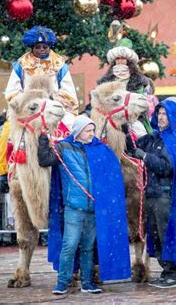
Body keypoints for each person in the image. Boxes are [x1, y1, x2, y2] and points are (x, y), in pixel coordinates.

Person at [39, 115, 131, 295]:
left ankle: (87, 283)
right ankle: (62, 282)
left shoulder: (99, 149)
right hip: (74, 208)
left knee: (88, 247)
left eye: (92, 130)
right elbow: (45, 160)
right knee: (70, 245)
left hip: (94, 209)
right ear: (78, 132)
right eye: (88, 130)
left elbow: (110, 174)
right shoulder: (64, 148)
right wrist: (43, 139)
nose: (92, 134)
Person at [0, 25, 78, 197]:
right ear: (32, 47)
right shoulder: (21, 65)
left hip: (54, 107)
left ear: (49, 47)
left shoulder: (60, 65)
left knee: (75, 128)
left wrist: (54, 99)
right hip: (28, 110)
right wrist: (25, 100)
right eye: (37, 47)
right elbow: (11, 92)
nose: (41, 50)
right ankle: (3, 176)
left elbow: (69, 92)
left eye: (44, 47)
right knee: (6, 134)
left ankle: (75, 169)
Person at [127, 100, 176, 288]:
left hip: (166, 196)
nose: (161, 117)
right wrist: (124, 127)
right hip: (152, 194)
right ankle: (166, 270)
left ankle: (173, 273)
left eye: (164, 114)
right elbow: (132, 147)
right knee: (156, 235)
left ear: (172, 116)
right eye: (159, 113)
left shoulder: (175, 139)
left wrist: (145, 156)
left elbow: (166, 167)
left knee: (166, 234)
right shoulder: (154, 138)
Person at [97, 37, 151, 137]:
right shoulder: (105, 80)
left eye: (123, 58)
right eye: (117, 58)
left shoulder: (139, 81)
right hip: (109, 117)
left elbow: (142, 104)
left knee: (140, 134)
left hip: (132, 119)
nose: (120, 61)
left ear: (128, 61)